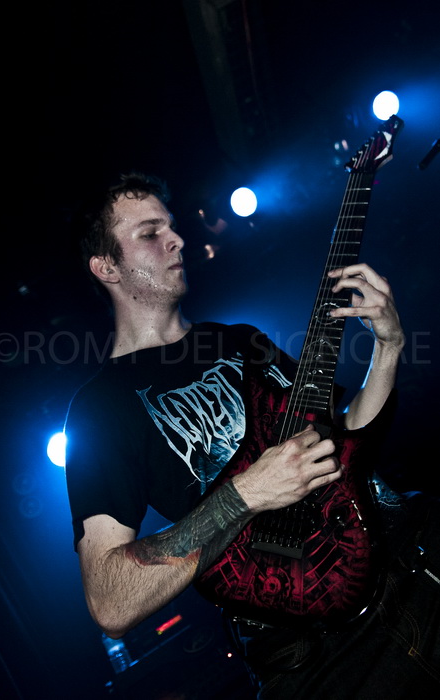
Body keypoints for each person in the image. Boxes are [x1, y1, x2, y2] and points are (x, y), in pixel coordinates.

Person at [65, 172, 439, 698]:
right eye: (150, 233)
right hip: (325, 653)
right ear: (106, 267)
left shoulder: (240, 341)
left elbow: (347, 437)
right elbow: (111, 601)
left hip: (413, 557)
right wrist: (247, 493)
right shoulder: (100, 410)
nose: (177, 239)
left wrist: (389, 347)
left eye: (171, 226)